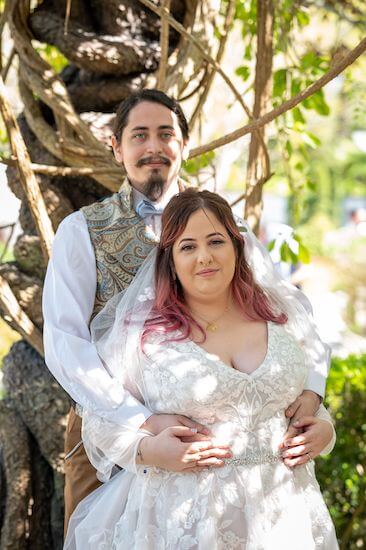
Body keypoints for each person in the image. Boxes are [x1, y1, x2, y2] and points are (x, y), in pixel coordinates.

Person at [42, 89, 332, 534]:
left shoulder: (226, 227)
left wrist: (311, 396)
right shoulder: (81, 231)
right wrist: (140, 424)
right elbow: (66, 344)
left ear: (185, 145)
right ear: (117, 148)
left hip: (238, 462)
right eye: (139, 136)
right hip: (110, 435)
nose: (154, 147)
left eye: (166, 134)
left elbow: (287, 316)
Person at [64, 189, 338, 549]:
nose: (205, 257)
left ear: (237, 248)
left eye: (215, 241)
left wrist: (324, 432)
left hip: (284, 518)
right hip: (183, 522)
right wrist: (149, 452)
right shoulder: (142, 339)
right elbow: (101, 422)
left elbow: (306, 403)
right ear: (171, 261)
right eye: (188, 246)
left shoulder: (281, 319)